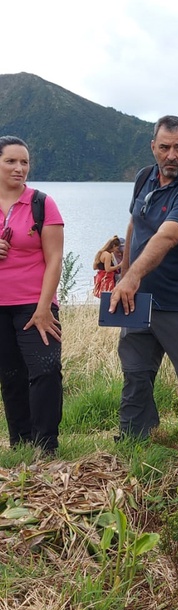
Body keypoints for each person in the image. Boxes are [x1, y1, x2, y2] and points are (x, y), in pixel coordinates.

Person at [110, 115, 178, 440]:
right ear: (153, 147)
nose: (171, 155)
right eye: (165, 147)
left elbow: (165, 237)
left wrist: (132, 277)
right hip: (139, 301)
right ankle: (134, 443)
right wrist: (125, 275)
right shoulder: (145, 177)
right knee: (135, 376)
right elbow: (134, 225)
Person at [0, 136, 64, 454]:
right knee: (11, 376)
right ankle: (21, 444)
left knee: (46, 371)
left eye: (24, 162)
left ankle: (46, 445)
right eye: (11, 161)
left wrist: (43, 307)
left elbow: (55, 259)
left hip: (35, 305)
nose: (19, 168)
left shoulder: (42, 203)